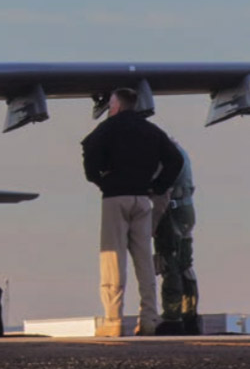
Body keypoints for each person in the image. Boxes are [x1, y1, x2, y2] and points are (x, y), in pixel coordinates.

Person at [81, 87, 184, 337]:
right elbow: (176, 160)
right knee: (144, 260)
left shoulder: (107, 128)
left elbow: (89, 149)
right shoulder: (152, 130)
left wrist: (100, 180)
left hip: (115, 198)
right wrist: (157, 186)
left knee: (113, 260)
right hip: (143, 199)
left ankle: (113, 320)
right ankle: (149, 318)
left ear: (115, 106)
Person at [152, 142, 201, 335]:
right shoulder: (180, 150)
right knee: (185, 264)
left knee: (169, 263)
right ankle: (190, 316)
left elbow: (161, 193)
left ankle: (172, 317)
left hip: (170, 211)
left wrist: (153, 224)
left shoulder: (162, 153)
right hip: (186, 210)